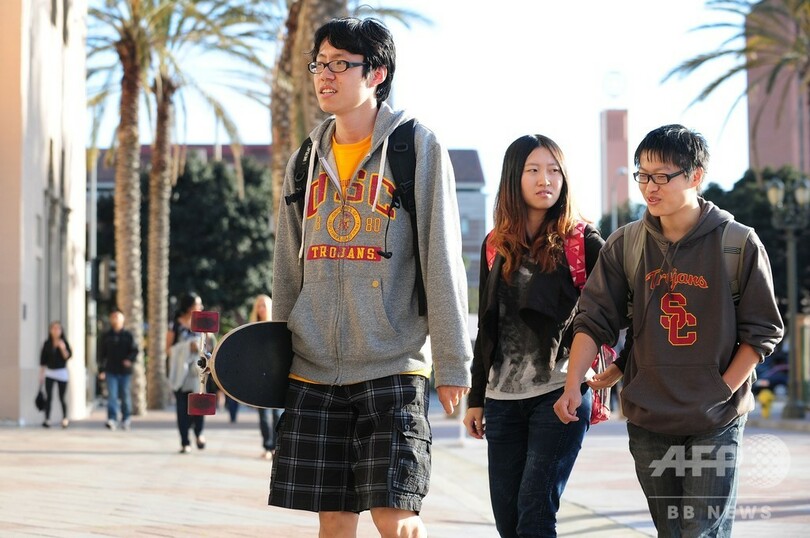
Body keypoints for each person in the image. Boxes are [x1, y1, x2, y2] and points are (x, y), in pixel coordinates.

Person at [271, 17, 472, 537]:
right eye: (320, 64)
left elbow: (441, 256)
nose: (325, 76)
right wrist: (277, 357)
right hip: (314, 369)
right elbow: (287, 268)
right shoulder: (304, 161)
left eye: (341, 64)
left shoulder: (415, 147)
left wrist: (452, 362)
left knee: (396, 519)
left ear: (377, 73)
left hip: (393, 362)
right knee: (334, 523)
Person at [553, 124, 784, 537]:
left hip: (716, 417)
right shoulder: (625, 245)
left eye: (662, 175)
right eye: (643, 174)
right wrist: (574, 383)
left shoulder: (738, 243)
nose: (649, 186)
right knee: (671, 532)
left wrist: (721, 389)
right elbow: (593, 317)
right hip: (649, 418)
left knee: (700, 532)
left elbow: (762, 330)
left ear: (695, 176)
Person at [461, 134, 603, 537]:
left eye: (555, 170)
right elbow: (487, 326)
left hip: (560, 395)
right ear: (514, 178)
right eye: (534, 170)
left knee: (535, 511)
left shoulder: (584, 242)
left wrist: (601, 372)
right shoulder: (495, 245)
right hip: (502, 400)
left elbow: (616, 313)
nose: (546, 180)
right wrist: (476, 398)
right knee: (509, 523)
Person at [167, 292, 214, 454]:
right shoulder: (176, 325)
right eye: (197, 304)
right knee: (182, 408)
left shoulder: (204, 323)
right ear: (188, 306)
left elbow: (209, 348)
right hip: (181, 373)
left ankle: (199, 433)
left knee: (200, 403)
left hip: (198, 371)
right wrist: (187, 347)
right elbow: (168, 350)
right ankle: (184, 441)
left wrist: (201, 347)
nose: (200, 307)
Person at [248, 294, 282, 459]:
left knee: (278, 413)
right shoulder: (250, 329)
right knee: (263, 415)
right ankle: (267, 446)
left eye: (264, 305)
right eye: (258, 305)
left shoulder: (275, 327)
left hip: (276, 376)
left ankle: (277, 447)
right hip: (260, 378)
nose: (261, 308)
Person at [98, 308, 139, 431]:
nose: (115, 319)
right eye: (113, 316)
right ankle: (112, 419)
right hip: (111, 370)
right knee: (112, 396)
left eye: (118, 316)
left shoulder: (128, 335)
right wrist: (101, 370)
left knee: (125, 395)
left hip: (125, 372)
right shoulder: (106, 336)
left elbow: (135, 350)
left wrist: (129, 360)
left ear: (123, 319)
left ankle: (126, 418)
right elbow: (101, 354)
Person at [39, 320, 73, 428]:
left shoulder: (64, 342)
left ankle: (64, 419)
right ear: (50, 330)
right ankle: (47, 419)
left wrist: (62, 348)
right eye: (54, 328)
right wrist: (41, 375)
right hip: (50, 372)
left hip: (61, 372)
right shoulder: (47, 344)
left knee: (61, 397)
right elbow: (43, 361)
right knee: (49, 397)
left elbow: (67, 357)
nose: (56, 331)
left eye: (58, 328)